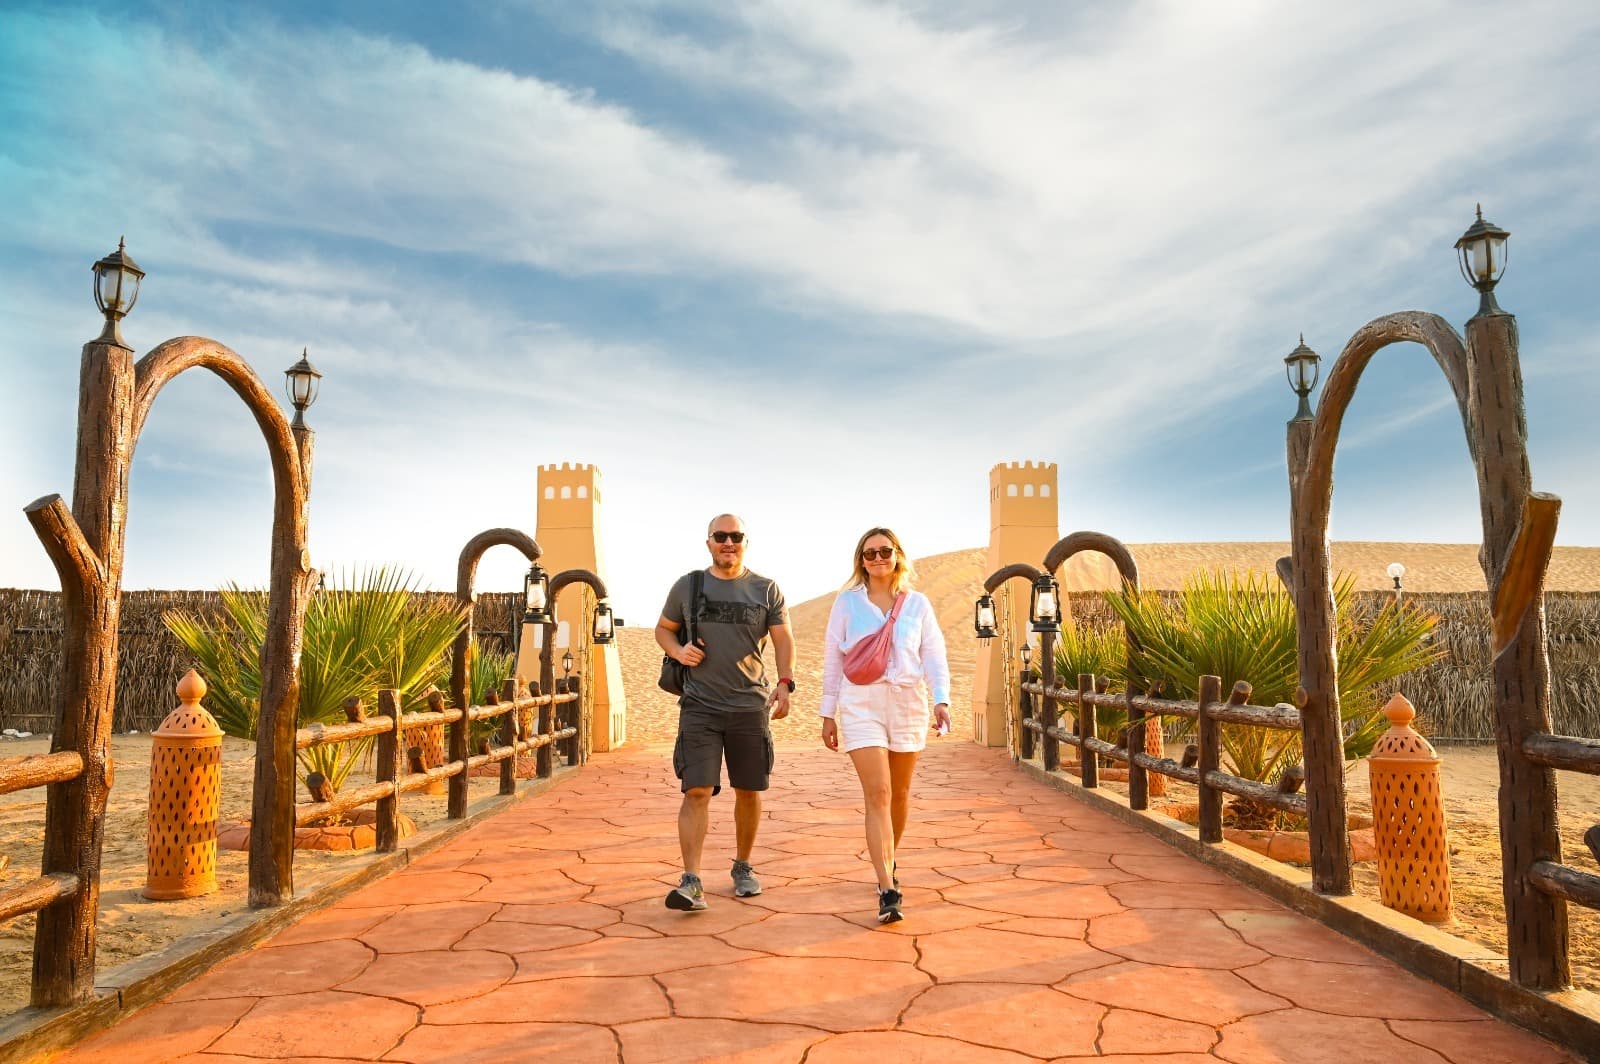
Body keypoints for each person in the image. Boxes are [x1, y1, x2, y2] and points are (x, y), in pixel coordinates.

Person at [656, 513, 794, 912]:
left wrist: (785, 682)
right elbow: (663, 629)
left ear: (746, 542)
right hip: (700, 705)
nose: (728, 542)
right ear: (709, 542)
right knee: (696, 789)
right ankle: (691, 880)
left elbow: (784, 639)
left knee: (749, 790)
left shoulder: (765, 589)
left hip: (750, 706)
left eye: (736, 536)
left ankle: (744, 866)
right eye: (721, 536)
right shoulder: (688, 585)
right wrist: (677, 651)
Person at [819, 526, 951, 924]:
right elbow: (833, 661)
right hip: (861, 703)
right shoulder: (846, 604)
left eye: (884, 551)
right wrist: (828, 713)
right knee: (877, 792)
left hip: (908, 702)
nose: (877, 559)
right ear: (861, 561)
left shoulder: (918, 604)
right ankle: (887, 887)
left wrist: (941, 699)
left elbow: (934, 654)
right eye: (869, 553)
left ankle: (888, 860)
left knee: (900, 794)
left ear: (897, 555)